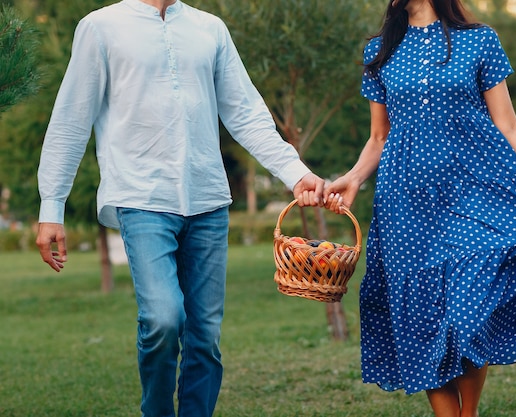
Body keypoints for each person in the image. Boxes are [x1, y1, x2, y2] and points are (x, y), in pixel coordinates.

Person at [35, 0, 324, 416]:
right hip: (141, 199)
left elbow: (244, 111)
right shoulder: (100, 27)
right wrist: (51, 206)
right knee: (163, 319)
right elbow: (71, 118)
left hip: (207, 199)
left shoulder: (210, 28)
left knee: (204, 336)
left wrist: (294, 173)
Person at [324, 0, 516, 416]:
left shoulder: (479, 40)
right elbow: (379, 137)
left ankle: (470, 412)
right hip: (406, 204)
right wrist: (354, 178)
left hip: (474, 191)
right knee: (423, 319)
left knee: (469, 309)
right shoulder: (379, 50)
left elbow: (509, 126)